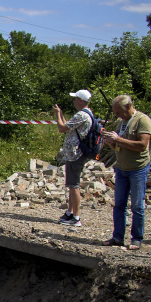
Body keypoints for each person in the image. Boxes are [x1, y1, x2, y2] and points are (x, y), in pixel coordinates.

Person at [102, 94, 151, 250]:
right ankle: (117, 237)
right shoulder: (121, 122)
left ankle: (137, 238)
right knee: (119, 205)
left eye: (118, 112)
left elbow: (142, 145)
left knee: (137, 205)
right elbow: (119, 145)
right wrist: (110, 142)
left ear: (128, 107)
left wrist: (118, 140)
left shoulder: (142, 120)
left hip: (138, 168)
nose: (117, 116)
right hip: (122, 167)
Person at [53, 89, 94, 227]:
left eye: (75, 99)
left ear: (81, 101)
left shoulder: (82, 115)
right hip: (73, 154)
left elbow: (61, 128)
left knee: (74, 185)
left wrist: (58, 115)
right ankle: (70, 212)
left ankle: (76, 217)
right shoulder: (85, 114)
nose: (73, 101)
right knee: (71, 185)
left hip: (75, 155)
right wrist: (62, 115)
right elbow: (69, 127)